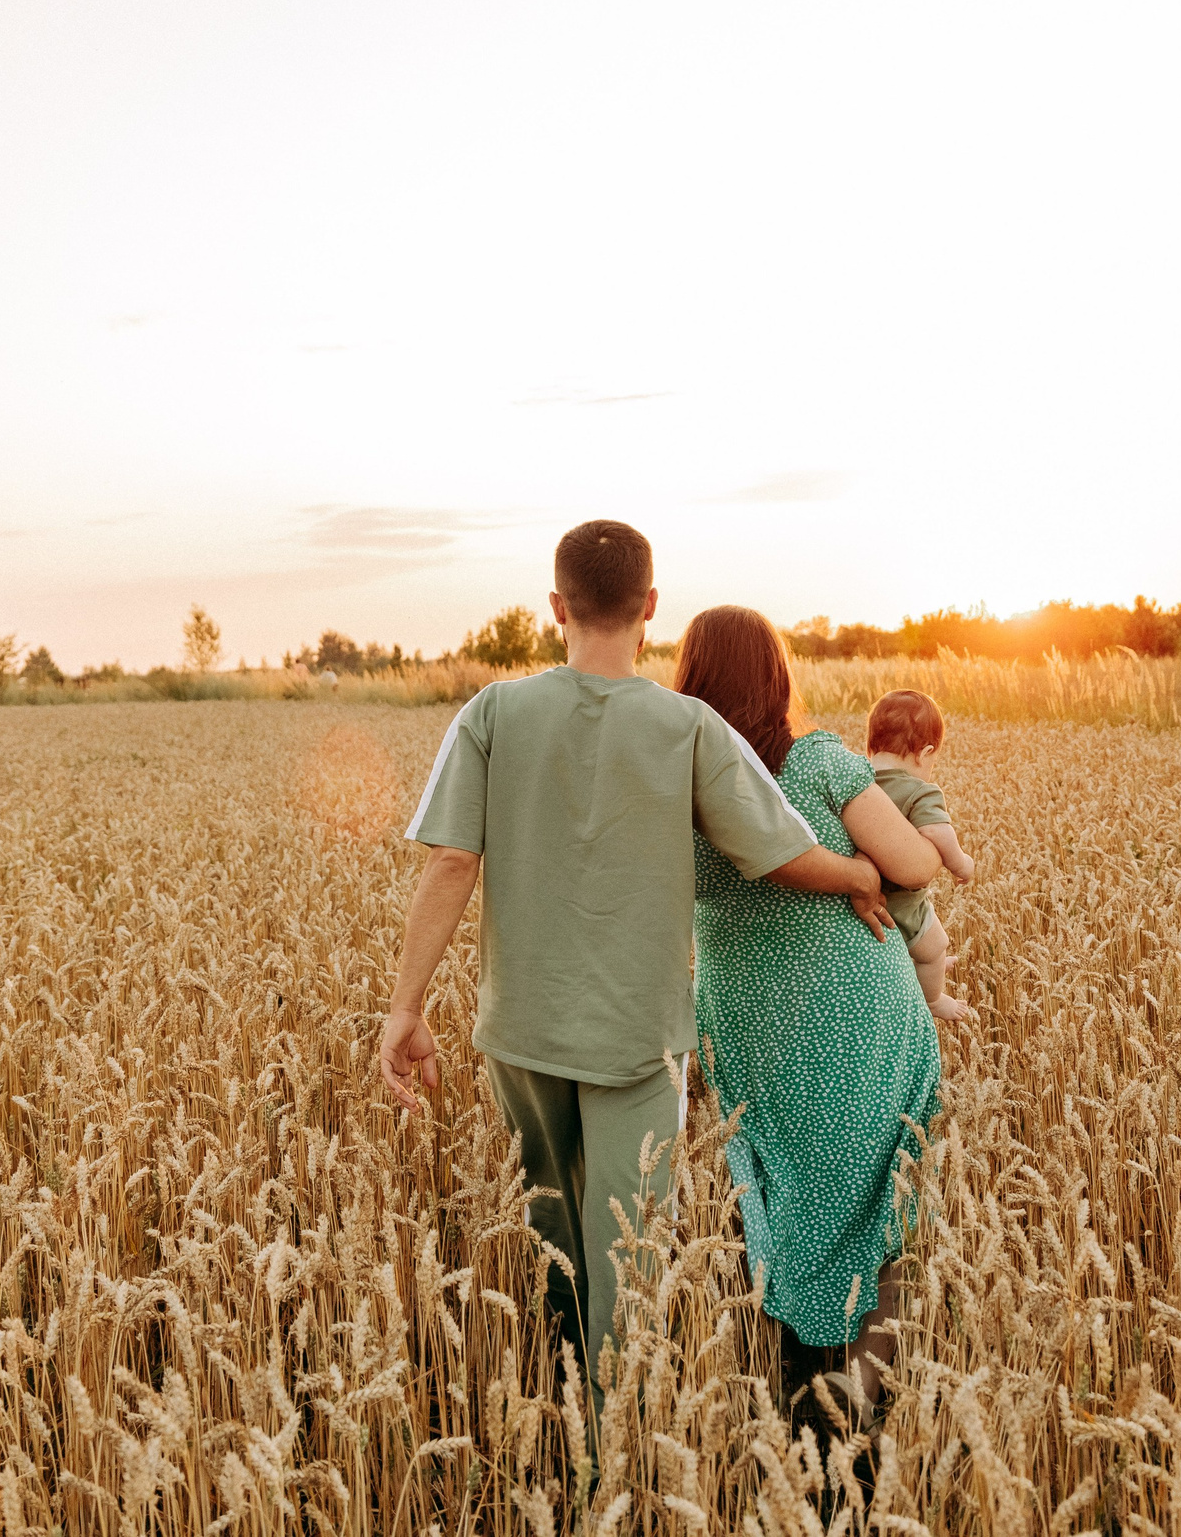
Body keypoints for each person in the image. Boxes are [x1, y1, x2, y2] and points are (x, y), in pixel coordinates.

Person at [377, 520, 891, 1385]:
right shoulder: (687, 725)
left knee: (552, 1238)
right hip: (638, 1041)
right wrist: (856, 872)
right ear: (650, 606)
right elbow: (771, 850)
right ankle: (617, 1448)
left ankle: (564, 1403)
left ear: (555, 607)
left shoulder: (492, 711)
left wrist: (405, 1007)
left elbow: (452, 861)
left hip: (521, 1030)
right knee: (629, 1259)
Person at [673, 607, 944, 1420]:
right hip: (858, 1008)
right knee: (890, 1188)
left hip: (747, 1017)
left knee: (778, 1181)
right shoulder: (820, 759)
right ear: (776, 675)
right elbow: (917, 861)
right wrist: (863, 867)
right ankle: (858, 1390)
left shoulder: (676, 778)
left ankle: (789, 1374)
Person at [865, 690, 979, 1023]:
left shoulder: (857, 782)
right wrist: (961, 863)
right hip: (902, 905)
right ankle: (932, 998)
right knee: (935, 948)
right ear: (925, 753)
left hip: (859, 900)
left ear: (870, 745)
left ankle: (917, 965)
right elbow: (937, 832)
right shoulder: (920, 791)